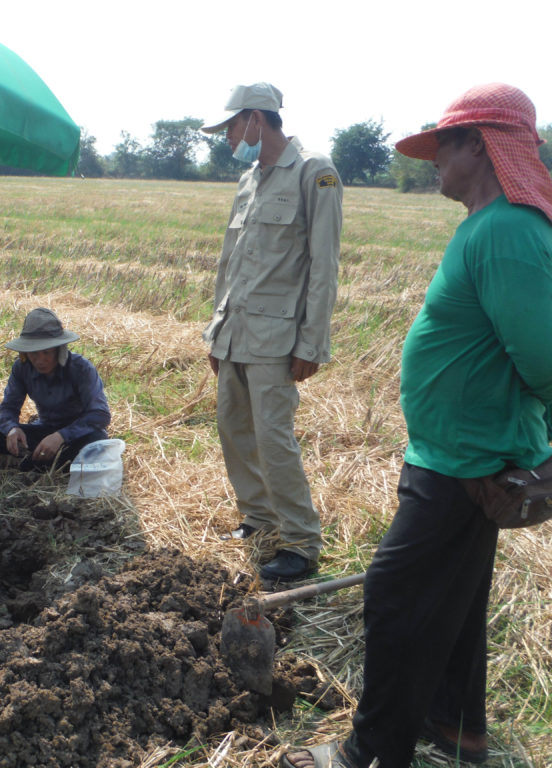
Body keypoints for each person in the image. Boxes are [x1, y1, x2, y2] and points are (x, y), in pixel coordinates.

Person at [281, 83, 552, 768]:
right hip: (456, 454)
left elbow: (548, 360)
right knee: (452, 608)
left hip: (468, 460)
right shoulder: (492, 226)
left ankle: (370, 752)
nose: (433, 160)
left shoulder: (508, 232)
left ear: (484, 145)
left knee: (395, 599)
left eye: (444, 146)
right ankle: (455, 730)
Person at [200, 83, 343, 582]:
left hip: (277, 340)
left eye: (233, 128)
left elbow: (324, 266)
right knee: (232, 429)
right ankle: (258, 520)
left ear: (257, 120)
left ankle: (301, 543)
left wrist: (312, 344)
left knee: (273, 438)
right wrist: (217, 332)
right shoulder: (248, 180)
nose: (228, 139)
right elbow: (229, 264)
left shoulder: (314, 173)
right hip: (236, 332)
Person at [0, 308, 111, 470]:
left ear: (59, 349)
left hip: (77, 435)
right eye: (34, 354)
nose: (40, 360)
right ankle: (43, 461)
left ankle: (36, 464)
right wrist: (12, 429)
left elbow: (100, 414)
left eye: (47, 352)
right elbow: (8, 407)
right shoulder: (22, 368)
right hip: (43, 431)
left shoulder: (81, 368)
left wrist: (61, 436)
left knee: (97, 442)